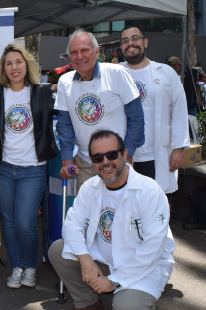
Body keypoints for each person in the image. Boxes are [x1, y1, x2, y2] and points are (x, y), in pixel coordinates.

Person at [48, 130, 175, 310]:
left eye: (112, 155)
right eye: (98, 157)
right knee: (58, 250)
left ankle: (146, 308)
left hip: (143, 265)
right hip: (105, 259)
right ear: (92, 161)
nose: (105, 162)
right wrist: (86, 260)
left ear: (124, 154)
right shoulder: (90, 187)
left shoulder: (150, 191)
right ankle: (88, 304)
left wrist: (114, 280)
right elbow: (71, 224)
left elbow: (153, 247)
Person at [0, 43, 59, 289]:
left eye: (18, 62)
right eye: (9, 63)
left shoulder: (42, 92)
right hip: (3, 168)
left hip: (33, 168)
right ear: (3, 68)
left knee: (26, 222)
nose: (14, 67)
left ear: (26, 64)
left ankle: (30, 265)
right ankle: (16, 266)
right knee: (8, 220)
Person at [56, 29, 144, 191]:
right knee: (89, 214)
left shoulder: (117, 73)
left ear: (96, 52)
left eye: (85, 50)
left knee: (121, 212)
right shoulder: (65, 82)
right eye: (74, 52)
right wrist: (67, 160)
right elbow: (64, 124)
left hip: (116, 161)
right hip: (86, 164)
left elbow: (136, 118)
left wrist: (127, 155)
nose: (80, 56)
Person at [118, 25, 189, 194]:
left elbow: (179, 109)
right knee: (126, 204)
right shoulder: (115, 73)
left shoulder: (165, 73)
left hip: (156, 153)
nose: (130, 44)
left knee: (156, 205)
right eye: (125, 41)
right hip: (125, 154)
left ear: (146, 42)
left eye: (135, 38)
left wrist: (179, 148)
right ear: (121, 47)